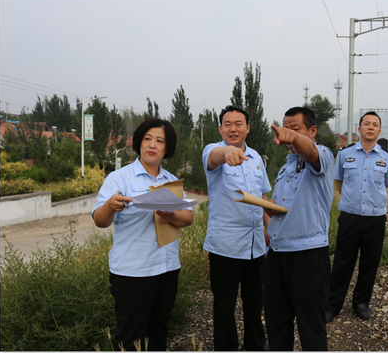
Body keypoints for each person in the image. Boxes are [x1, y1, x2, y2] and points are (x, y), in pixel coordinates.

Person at [92, 118, 194, 351]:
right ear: (138, 142)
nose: (152, 145)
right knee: (131, 337)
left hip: (167, 269)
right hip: (133, 271)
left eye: (159, 141)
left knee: (159, 330)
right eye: (147, 139)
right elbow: (100, 221)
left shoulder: (171, 181)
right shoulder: (119, 178)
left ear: (167, 148)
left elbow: (187, 217)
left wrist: (171, 216)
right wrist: (111, 205)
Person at [263, 106, 335, 351]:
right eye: (285, 129)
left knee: (311, 329)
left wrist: (292, 136)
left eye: (295, 129)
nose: (287, 136)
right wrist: (270, 208)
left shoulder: (321, 155)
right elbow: (285, 209)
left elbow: (311, 151)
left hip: (308, 257)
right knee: (277, 326)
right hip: (277, 255)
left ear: (312, 131)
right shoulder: (285, 168)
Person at [202, 105, 271, 351]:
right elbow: (214, 159)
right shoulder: (213, 151)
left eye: (238, 124)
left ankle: (256, 344)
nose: (233, 128)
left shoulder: (256, 160)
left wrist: (269, 230)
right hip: (225, 247)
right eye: (227, 124)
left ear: (247, 128)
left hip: (255, 246)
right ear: (220, 128)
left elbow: (262, 197)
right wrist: (228, 151)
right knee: (224, 305)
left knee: (255, 302)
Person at [325, 111, 388, 323]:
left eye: (375, 124)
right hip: (350, 217)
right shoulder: (345, 154)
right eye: (367, 124)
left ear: (379, 130)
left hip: (375, 219)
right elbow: (339, 182)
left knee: (369, 263)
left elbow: (386, 186)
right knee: (342, 262)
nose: (370, 127)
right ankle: (332, 305)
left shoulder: (387, 158)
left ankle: (361, 303)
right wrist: (351, 200)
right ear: (359, 128)